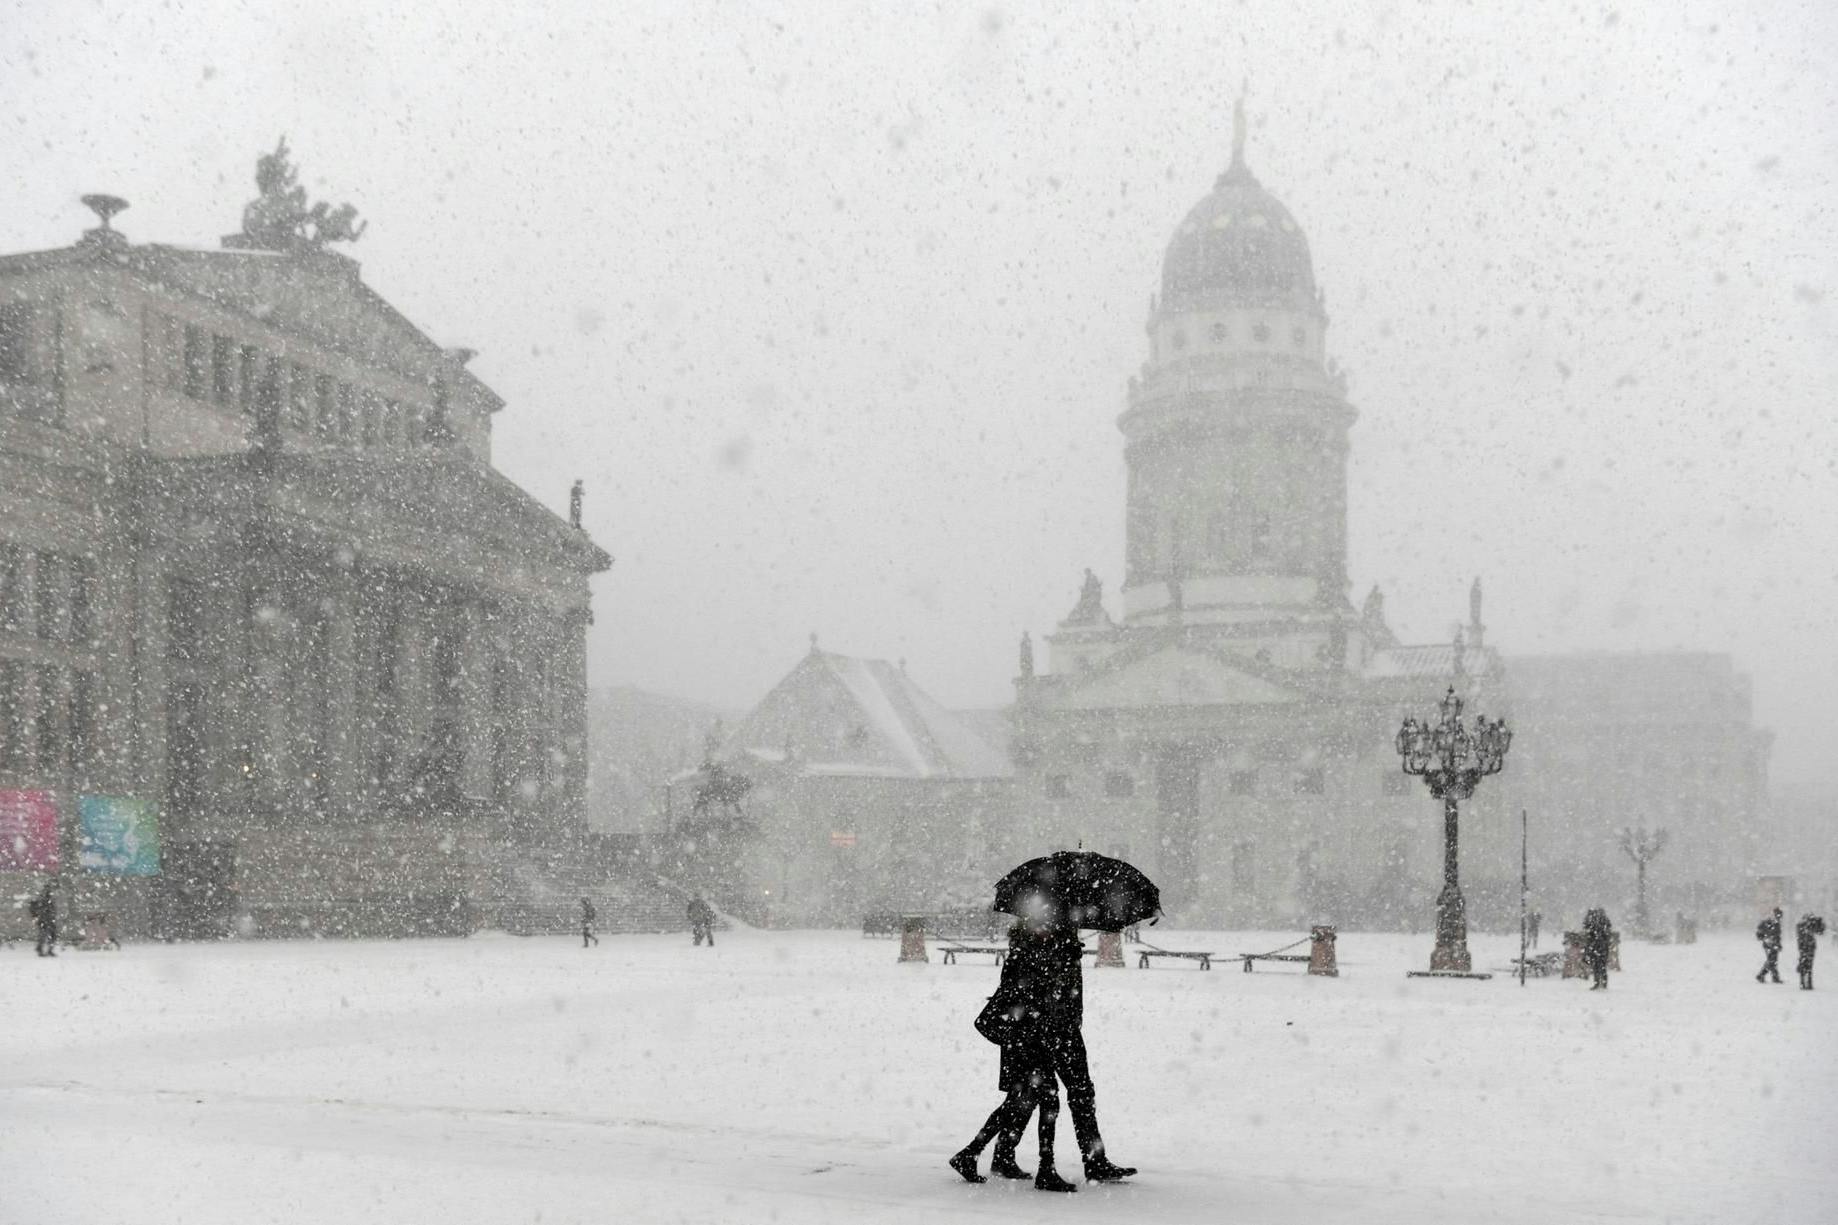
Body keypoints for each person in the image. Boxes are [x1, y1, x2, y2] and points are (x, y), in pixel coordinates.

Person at [950, 925, 1076, 1193]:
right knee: (1047, 1100)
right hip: (1027, 1042)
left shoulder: (1030, 955)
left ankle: (973, 1154)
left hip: (1028, 1040)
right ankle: (1045, 1169)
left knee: (1018, 1103)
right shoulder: (1025, 958)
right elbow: (1019, 998)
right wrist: (1021, 1036)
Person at [1021, 926, 1136, 1183]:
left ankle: (1092, 1160)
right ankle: (1071, 1163)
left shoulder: (1059, 941)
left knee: (1076, 1094)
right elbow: (1044, 989)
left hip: (1061, 1028)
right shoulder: (1050, 943)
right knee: (1058, 1097)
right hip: (1053, 1029)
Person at [1582, 907, 1613, 990]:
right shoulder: (1604, 921)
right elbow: (1608, 931)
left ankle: (1598, 983)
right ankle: (1603, 983)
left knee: (1596, 965)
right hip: (1602, 946)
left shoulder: (1591, 921)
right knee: (1602, 965)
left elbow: (1587, 929)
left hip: (1594, 946)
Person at [1796, 914, 1825, 990]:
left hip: (1804, 947)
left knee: (1805, 963)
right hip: (1808, 947)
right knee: (1808, 965)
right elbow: (1820, 931)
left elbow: (1820, 931)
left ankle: (1803, 983)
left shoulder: (1801, 925)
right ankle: (1807, 983)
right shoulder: (1805, 925)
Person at [29, 883, 57, 958]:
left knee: (49, 935)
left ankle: (44, 949)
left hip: (48, 919)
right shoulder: (43, 898)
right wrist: (36, 915)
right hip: (45, 919)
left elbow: (34, 907)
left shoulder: (46, 898)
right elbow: (33, 907)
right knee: (45, 935)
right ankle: (41, 949)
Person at [1756, 907, 1784, 984]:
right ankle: (1763, 975)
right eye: (1780, 915)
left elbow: (1776, 936)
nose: (1781, 917)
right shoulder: (1773, 922)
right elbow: (1775, 935)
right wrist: (1776, 944)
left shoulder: (1773, 922)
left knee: (1772, 961)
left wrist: (1778, 944)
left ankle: (1771, 977)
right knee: (1772, 961)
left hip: (1770, 944)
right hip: (1770, 944)